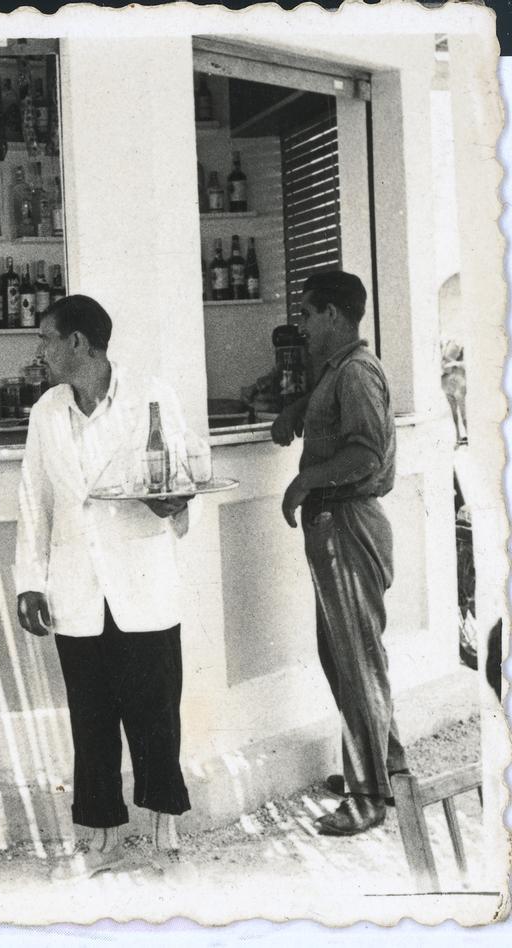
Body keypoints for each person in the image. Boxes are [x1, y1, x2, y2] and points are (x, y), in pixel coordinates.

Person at [14, 295, 194, 879]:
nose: (39, 352)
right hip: (76, 589)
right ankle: (101, 837)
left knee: (155, 714)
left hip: (143, 581)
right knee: (90, 719)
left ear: (78, 344)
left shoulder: (151, 394)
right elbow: (33, 502)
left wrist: (174, 500)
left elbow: (188, 469)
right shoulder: (46, 412)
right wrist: (30, 583)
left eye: (46, 339)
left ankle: (166, 828)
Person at [272, 269, 405, 837]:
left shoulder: (355, 372)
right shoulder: (339, 372)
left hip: (347, 521)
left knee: (355, 662)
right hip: (337, 525)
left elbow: (367, 453)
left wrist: (304, 482)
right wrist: (300, 409)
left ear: (333, 315)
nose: (301, 325)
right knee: (347, 656)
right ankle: (388, 767)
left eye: (306, 313)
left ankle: (368, 795)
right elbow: (332, 414)